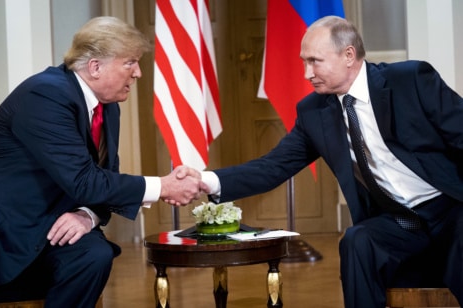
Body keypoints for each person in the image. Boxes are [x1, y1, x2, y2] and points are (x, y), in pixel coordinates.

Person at [187, 16, 462, 308]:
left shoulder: (410, 80)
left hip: (449, 209)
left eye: (315, 61)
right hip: (400, 221)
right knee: (357, 241)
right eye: (304, 62)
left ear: (348, 55)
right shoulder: (314, 112)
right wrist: (207, 180)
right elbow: (274, 166)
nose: (307, 73)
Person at [0, 16, 205, 307]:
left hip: (49, 226)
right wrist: (162, 187)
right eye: (130, 62)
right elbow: (83, 180)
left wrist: (87, 215)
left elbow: (104, 177)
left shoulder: (108, 107)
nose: (138, 73)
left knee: (93, 255)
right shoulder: (45, 94)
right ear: (95, 67)